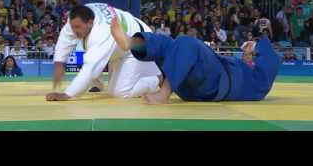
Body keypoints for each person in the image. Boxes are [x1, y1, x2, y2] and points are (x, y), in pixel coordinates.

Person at [109, 16, 280, 104]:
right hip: (194, 84)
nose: (247, 50)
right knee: (168, 43)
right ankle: (130, 42)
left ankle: (164, 94)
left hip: (217, 85)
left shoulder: (258, 81)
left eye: (251, 50)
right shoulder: (239, 65)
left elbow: (271, 60)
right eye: (247, 48)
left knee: (186, 42)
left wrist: (262, 36)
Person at [45, 4, 161, 101]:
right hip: (119, 47)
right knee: (112, 89)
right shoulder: (78, 18)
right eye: (73, 27)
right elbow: (65, 39)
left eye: (78, 27)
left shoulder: (101, 32)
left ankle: (157, 79)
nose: (74, 31)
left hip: (137, 43)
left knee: (120, 92)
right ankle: (101, 83)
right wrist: (59, 63)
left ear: (90, 23)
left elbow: (91, 68)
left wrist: (67, 94)